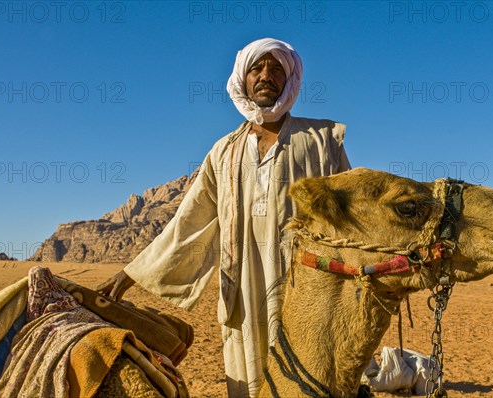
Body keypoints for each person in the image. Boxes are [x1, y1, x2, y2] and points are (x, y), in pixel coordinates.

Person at [97, 37, 351, 397]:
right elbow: (188, 222)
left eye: (277, 68)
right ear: (242, 79)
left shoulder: (322, 139)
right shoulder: (224, 152)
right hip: (243, 294)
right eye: (257, 68)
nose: (266, 76)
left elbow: (352, 214)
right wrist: (130, 274)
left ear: (290, 80)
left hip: (306, 290)